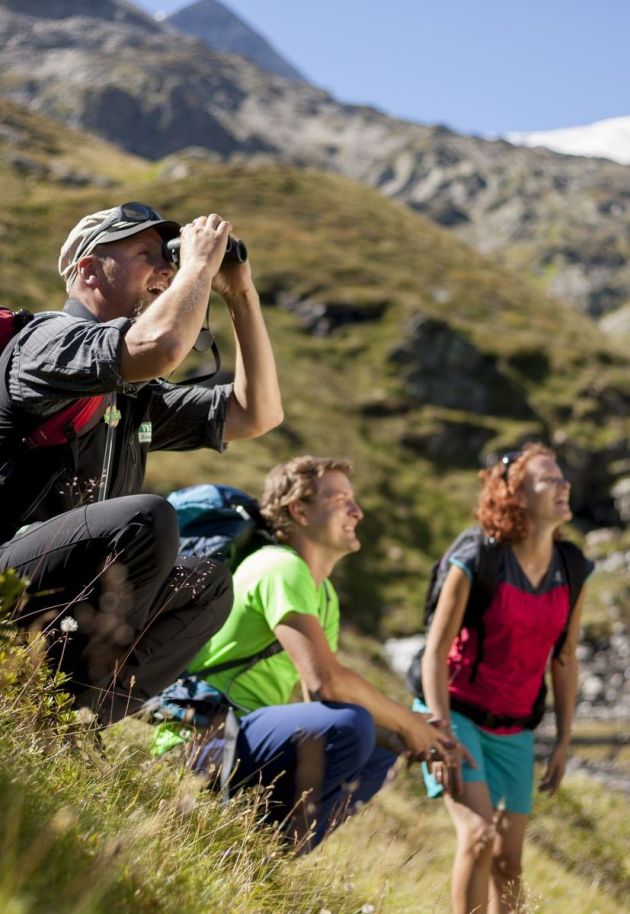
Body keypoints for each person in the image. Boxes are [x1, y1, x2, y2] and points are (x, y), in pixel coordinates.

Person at [0, 201, 283, 725]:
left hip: (59, 595)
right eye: (144, 254)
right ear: (88, 269)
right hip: (6, 580)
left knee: (208, 583)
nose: (165, 269)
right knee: (146, 518)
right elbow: (158, 346)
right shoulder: (48, 342)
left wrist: (241, 294)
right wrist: (197, 265)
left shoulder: (134, 395)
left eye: (169, 258)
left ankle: (70, 718)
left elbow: (256, 413)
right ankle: (59, 708)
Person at [155, 455, 467, 852]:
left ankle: (264, 853)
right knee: (355, 723)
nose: (358, 511)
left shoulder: (325, 595)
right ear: (299, 510)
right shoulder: (280, 567)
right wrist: (407, 720)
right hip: (200, 739)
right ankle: (252, 840)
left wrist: (417, 737)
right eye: (340, 500)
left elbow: (314, 700)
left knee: (381, 742)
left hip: (244, 735)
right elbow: (325, 684)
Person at [418, 443, 592, 914]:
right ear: (515, 495)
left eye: (562, 476)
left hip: (515, 727)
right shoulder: (477, 556)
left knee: (509, 861)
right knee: (477, 837)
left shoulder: (571, 567)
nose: (564, 484)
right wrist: (441, 730)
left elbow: (565, 658)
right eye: (548, 478)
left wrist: (564, 740)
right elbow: (434, 651)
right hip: (455, 712)